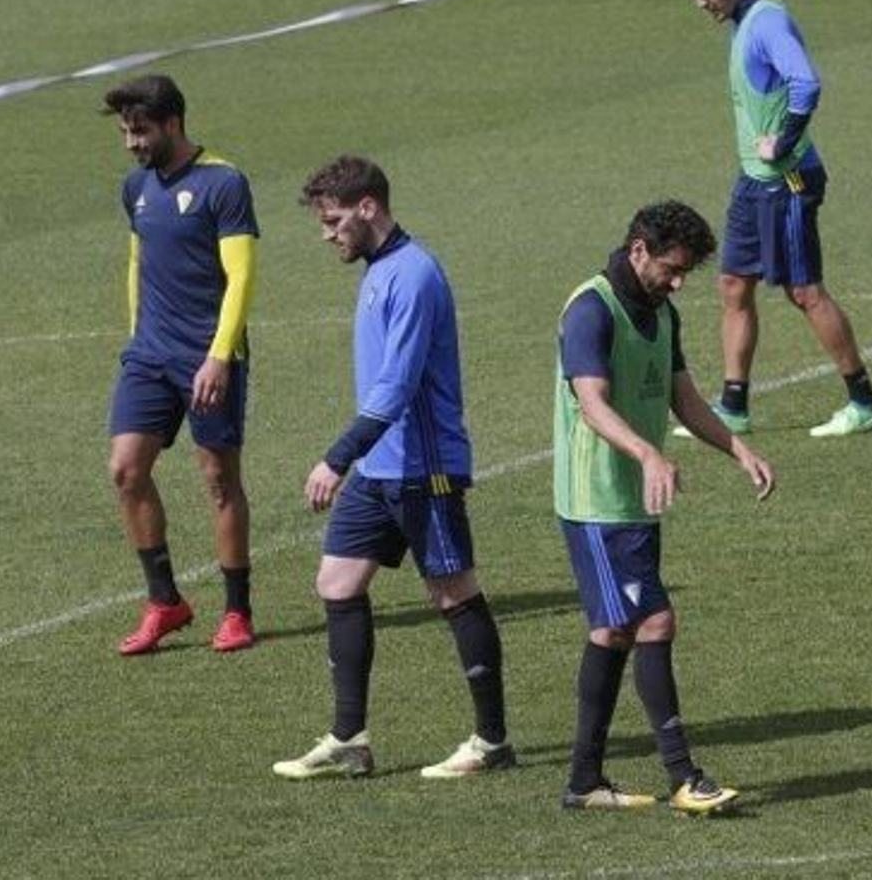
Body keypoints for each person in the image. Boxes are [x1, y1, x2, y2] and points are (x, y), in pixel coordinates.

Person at [273, 155, 513, 782]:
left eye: (333, 221)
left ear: (368, 207)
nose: (327, 234)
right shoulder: (381, 270)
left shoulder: (414, 274)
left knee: (454, 593)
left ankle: (492, 741)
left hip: (423, 469)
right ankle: (349, 739)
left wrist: (337, 457)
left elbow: (398, 386)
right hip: (382, 469)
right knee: (337, 583)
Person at [554, 200, 776, 813]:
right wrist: (648, 454)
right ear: (638, 251)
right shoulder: (591, 310)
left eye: (685, 273)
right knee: (654, 621)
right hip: (597, 502)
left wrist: (737, 448)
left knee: (613, 631)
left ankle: (584, 782)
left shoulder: (661, 312)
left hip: (636, 502)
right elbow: (591, 404)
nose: (677, 283)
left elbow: (684, 398)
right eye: (671, 269)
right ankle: (684, 777)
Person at [678, 0, 872, 438]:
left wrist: (784, 141)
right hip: (754, 181)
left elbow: (805, 84)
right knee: (733, 284)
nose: (701, 4)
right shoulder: (743, 22)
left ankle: (864, 401)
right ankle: (733, 407)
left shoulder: (767, 21)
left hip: (787, 181)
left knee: (805, 292)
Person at [102, 74, 260, 655]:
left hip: (207, 356)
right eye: (125, 133)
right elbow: (138, 260)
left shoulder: (224, 182)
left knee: (219, 480)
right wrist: (136, 336)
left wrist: (219, 356)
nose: (132, 144)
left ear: (173, 124)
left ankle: (237, 611)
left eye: (140, 131)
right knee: (126, 470)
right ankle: (165, 601)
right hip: (149, 355)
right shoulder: (136, 187)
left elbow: (241, 275)